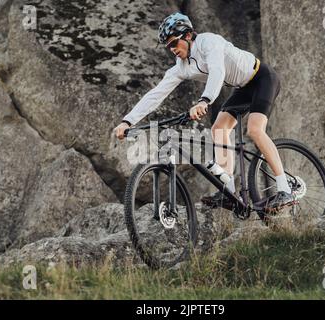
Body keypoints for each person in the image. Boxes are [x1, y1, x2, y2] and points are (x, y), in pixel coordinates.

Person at [114, 12, 295, 211]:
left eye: (174, 43)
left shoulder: (209, 42)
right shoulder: (181, 67)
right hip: (243, 89)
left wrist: (204, 100)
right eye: (168, 47)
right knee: (219, 129)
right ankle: (229, 191)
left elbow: (218, 70)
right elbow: (156, 94)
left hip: (261, 78)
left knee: (254, 129)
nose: (173, 49)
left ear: (189, 36)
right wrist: (128, 122)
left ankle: (284, 189)